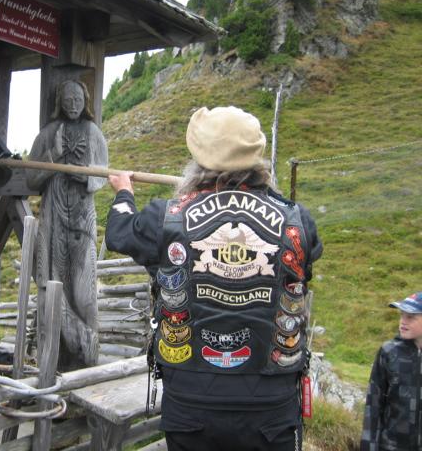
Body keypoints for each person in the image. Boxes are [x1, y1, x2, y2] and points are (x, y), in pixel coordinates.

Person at [105, 106, 322, 451]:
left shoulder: (166, 217)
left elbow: (119, 232)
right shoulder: (297, 220)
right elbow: (303, 269)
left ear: (198, 161)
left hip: (191, 402)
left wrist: (124, 192)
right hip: (272, 402)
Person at [26, 79, 108, 370]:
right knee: (53, 284)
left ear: (86, 102)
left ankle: (86, 354)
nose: (73, 105)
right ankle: (55, 356)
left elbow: (103, 172)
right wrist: (55, 156)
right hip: (54, 223)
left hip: (83, 222)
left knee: (84, 293)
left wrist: (86, 176)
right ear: (59, 101)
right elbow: (31, 178)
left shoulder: (93, 132)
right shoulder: (48, 133)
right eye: (68, 99)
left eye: (78, 100)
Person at [360, 291, 422, 451]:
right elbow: (373, 406)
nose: (403, 321)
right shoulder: (389, 352)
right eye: (402, 315)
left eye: (411, 317)